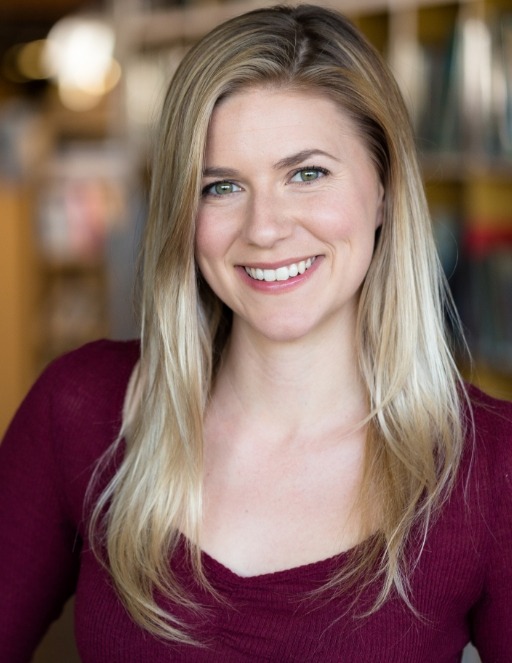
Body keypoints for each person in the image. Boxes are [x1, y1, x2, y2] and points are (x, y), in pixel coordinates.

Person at [1, 5, 511, 662]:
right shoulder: (80, 409)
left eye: (307, 173)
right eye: (221, 186)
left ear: (383, 189)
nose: (264, 227)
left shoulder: (490, 467)